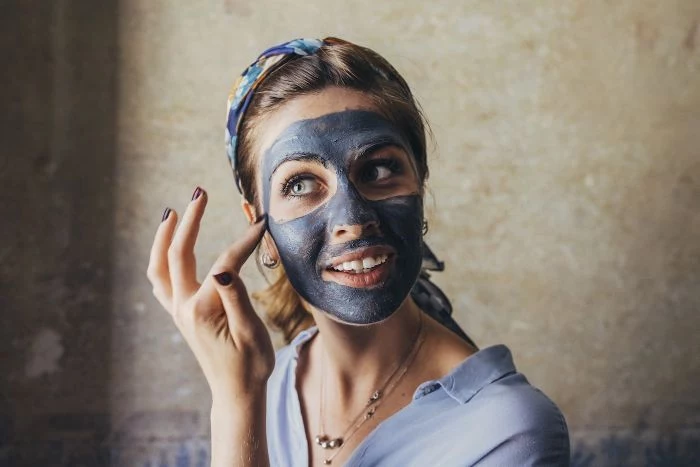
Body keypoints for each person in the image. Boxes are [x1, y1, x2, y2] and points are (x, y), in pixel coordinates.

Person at [147, 37, 570, 467]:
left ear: (420, 185)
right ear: (261, 227)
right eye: (300, 184)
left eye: (378, 169)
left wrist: (235, 405)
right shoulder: (261, 383)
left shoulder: (505, 430)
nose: (353, 217)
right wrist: (239, 398)